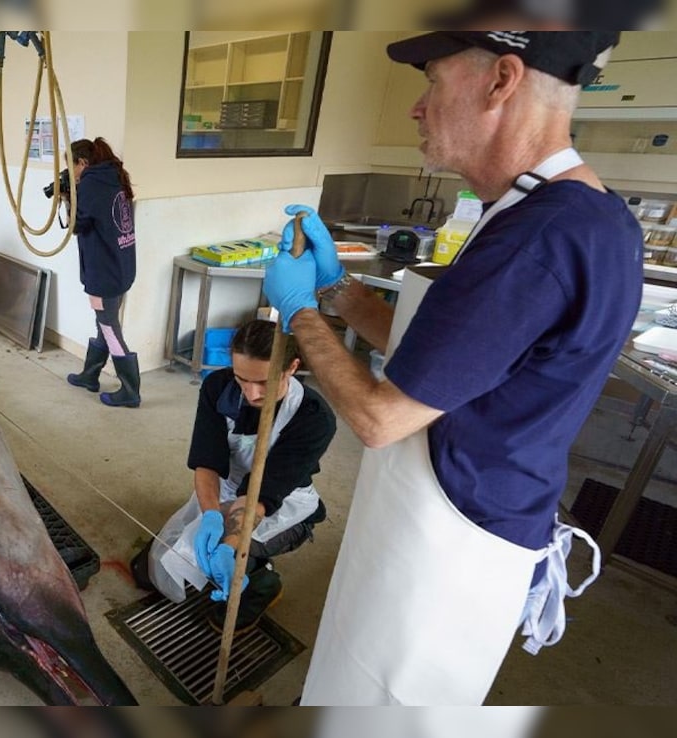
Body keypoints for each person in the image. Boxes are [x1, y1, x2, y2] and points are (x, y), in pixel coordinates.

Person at [261, 32, 641, 705]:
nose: (415, 107)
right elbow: (455, 358)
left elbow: (381, 417)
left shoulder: (538, 237)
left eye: (433, 81)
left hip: (449, 544)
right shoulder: (581, 214)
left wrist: (296, 313)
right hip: (482, 513)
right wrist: (338, 292)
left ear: (501, 81)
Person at [129, 319, 335, 634]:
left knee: (229, 559)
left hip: (278, 505)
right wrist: (211, 515)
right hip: (225, 490)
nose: (252, 393)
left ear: (292, 367)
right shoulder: (219, 388)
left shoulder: (313, 418)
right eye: (242, 379)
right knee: (148, 572)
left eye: (264, 382)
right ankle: (235, 555)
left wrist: (230, 541)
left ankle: (262, 582)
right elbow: (208, 463)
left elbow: (262, 493)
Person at [62, 137, 139, 408]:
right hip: (121, 266)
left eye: (71, 168)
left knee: (108, 326)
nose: (71, 174)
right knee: (104, 323)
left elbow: (77, 224)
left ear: (82, 163)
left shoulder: (92, 183)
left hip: (104, 270)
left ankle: (130, 389)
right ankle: (90, 375)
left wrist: (68, 198)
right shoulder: (114, 176)